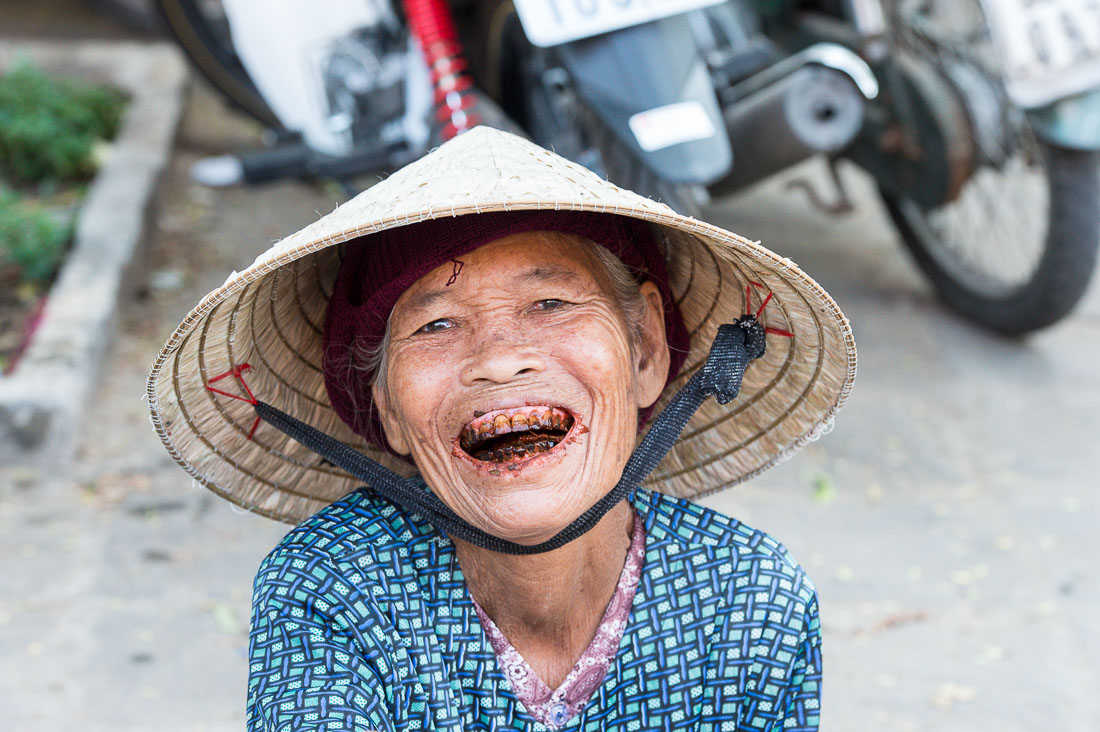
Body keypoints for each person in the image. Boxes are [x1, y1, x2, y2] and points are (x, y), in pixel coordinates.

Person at [147, 127, 856, 730]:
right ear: (388, 410)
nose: (499, 360)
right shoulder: (334, 590)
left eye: (549, 302)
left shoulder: (749, 601)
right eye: (436, 325)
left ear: (644, 350)